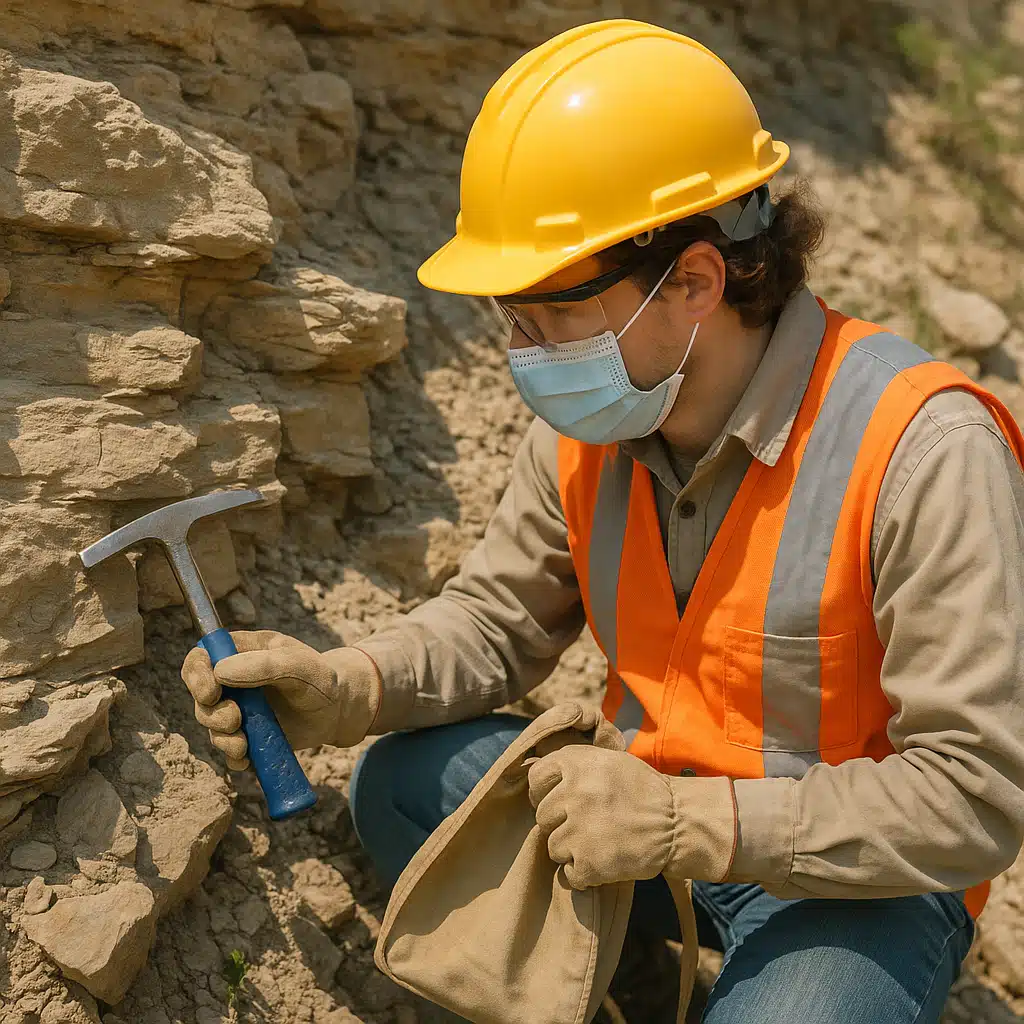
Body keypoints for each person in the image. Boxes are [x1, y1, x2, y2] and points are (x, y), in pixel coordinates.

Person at [180, 19, 1024, 1024]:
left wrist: (685, 820)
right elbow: (497, 623)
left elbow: (972, 795)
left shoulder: (919, 448)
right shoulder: (594, 421)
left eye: (549, 318)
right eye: (510, 320)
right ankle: (626, 994)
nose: (522, 353)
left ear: (696, 283)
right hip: (646, 823)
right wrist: (347, 684)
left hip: (854, 881)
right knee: (402, 783)